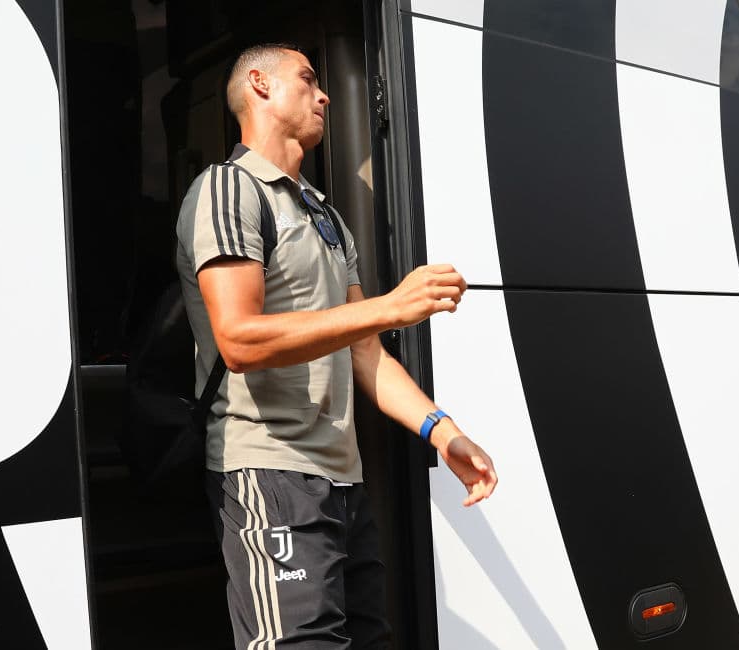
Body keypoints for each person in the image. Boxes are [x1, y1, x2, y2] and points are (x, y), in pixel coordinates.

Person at [175, 42, 498, 649]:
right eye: (308, 79)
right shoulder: (227, 190)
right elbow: (239, 339)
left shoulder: (326, 216)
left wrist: (444, 432)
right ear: (260, 85)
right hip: (269, 471)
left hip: (343, 480)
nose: (323, 94)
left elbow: (365, 351)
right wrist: (390, 305)